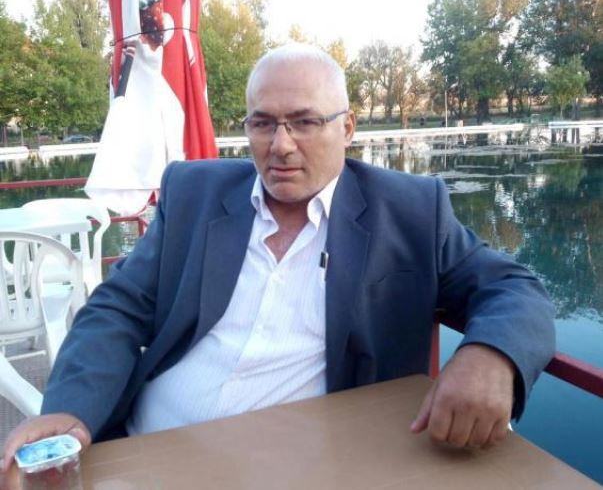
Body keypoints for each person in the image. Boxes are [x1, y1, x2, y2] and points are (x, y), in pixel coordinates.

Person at [2, 43, 555, 470]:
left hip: (303, 466)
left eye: (305, 121)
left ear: (347, 127)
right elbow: (118, 308)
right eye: (262, 122)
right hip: (146, 452)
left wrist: (491, 355)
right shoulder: (194, 193)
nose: (281, 144)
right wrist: (70, 409)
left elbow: (514, 288)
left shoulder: (410, 210)